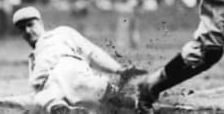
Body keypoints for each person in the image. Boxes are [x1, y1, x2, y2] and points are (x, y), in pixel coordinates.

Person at [13, 6, 143, 114]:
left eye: (30, 25)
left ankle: (59, 107)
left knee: (43, 97)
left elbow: (93, 53)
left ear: (40, 23)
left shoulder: (60, 33)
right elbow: (93, 53)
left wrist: (119, 69)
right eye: (22, 29)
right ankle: (144, 106)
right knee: (122, 105)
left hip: (66, 79)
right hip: (85, 80)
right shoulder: (38, 53)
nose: (27, 31)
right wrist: (119, 70)